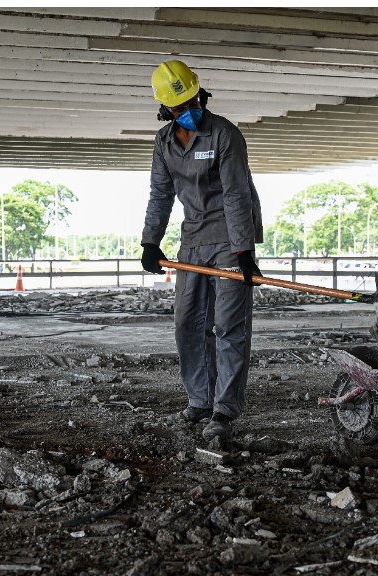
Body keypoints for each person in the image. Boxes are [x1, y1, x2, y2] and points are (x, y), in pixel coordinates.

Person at [140, 60, 263, 442]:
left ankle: (224, 409)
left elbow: (236, 194)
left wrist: (243, 252)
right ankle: (200, 400)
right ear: (166, 108)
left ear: (200, 94)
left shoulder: (224, 134)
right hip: (192, 240)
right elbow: (160, 195)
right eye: (180, 107)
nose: (190, 110)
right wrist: (150, 241)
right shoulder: (164, 143)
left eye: (193, 101)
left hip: (229, 238)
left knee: (229, 326)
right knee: (187, 324)